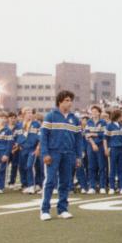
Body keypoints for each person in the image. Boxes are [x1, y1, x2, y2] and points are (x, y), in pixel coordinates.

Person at [39, 91, 83, 220]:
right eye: (67, 100)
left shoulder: (75, 119)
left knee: (65, 182)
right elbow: (44, 136)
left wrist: (78, 156)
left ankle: (62, 209)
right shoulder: (50, 116)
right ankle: (45, 210)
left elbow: (79, 139)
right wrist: (45, 153)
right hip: (53, 153)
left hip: (69, 154)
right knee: (50, 181)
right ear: (60, 101)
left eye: (71, 100)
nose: (70, 103)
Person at [85, 105, 107, 194]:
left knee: (102, 166)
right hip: (91, 146)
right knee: (91, 167)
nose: (94, 113)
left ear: (99, 112)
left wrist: (93, 134)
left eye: (95, 111)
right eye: (92, 111)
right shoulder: (89, 122)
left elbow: (104, 135)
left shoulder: (103, 122)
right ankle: (92, 187)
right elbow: (87, 134)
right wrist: (93, 143)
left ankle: (102, 186)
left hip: (101, 146)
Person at [104, 110, 122, 194]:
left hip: (121, 149)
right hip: (113, 149)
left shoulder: (121, 126)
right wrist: (106, 149)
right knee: (112, 168)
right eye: (121, 116)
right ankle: (112, 187)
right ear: (117, 116)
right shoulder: (109, 125)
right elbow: (105, 138)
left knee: (121, 168)